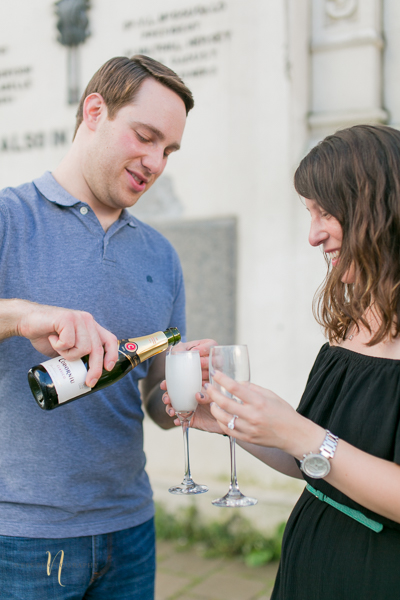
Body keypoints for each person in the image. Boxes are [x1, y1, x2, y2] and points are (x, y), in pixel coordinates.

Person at [0, 54, 213, 599]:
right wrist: (26, 316)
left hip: (130, 531)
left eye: (168, 150)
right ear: (95, 111)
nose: (156, 161)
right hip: (19, 539)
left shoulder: (161, 256)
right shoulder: (8, 218)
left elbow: (154, 408)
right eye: (145, 136)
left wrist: (187, 395)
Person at [163, 124, 400, 599]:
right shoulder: (352, 324)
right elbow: (313, 463)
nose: (313, 235)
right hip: (311, 566)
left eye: (326, 213)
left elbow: (316, 445)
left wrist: (302, 432)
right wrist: (233, 422)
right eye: (309, 214)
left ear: (377, 209)